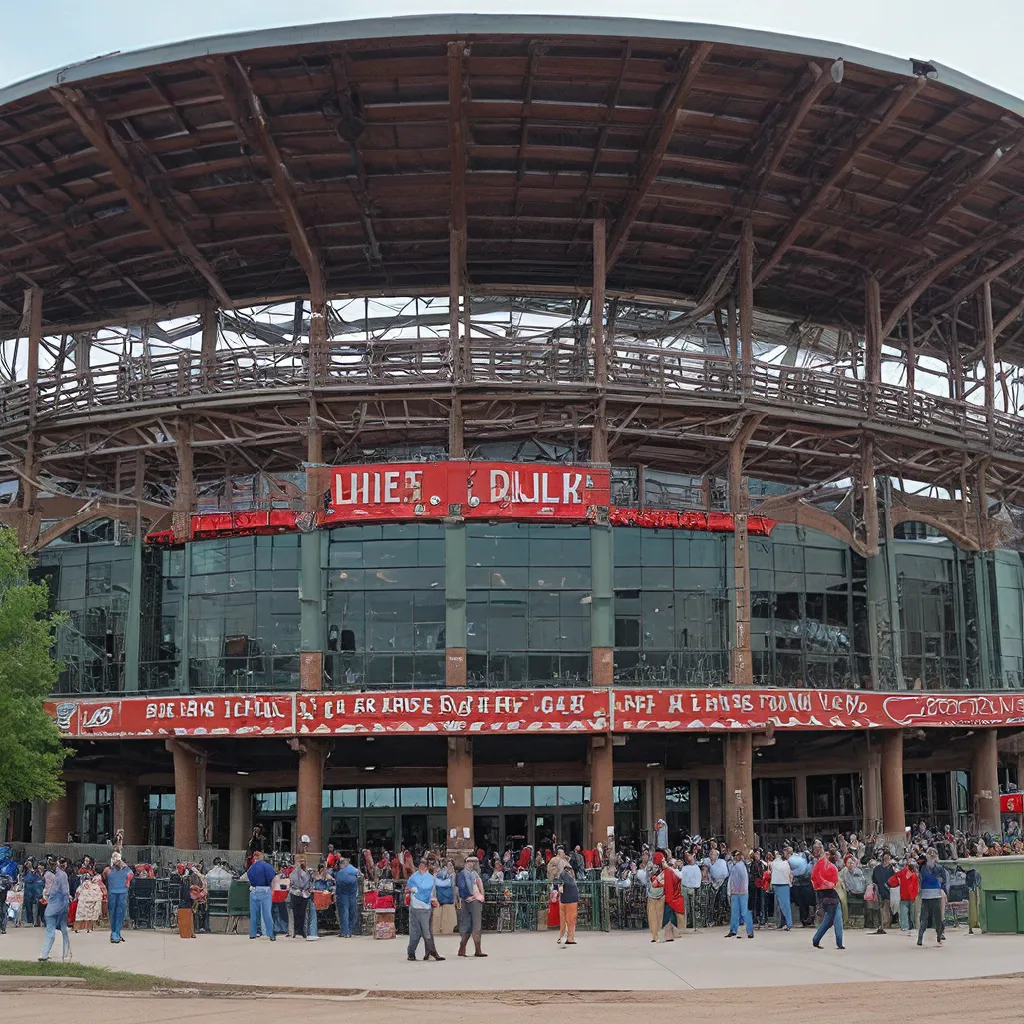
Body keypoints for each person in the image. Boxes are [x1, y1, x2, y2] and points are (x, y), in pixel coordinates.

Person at [406, 856, 444, 962]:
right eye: (420, 864)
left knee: (427, 931)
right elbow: (407, 889)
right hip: (415, 907)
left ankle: (431, 951)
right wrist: (411, 891)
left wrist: (434, 900)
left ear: (427, 867)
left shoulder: (431, 878)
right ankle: (411, 953)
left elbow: (433, 892)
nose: (422, 866)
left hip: (426, 908)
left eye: (424, 864)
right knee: (415, 933)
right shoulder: (413, 877)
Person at [38, 857, 71, 963]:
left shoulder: (49, 875)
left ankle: (44, 954)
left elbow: (47, 892)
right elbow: (64, 892)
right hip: (60, 906)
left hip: (53, 906)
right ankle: (64, 954)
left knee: (51, 931)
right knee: (62, 931)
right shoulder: (61, 875)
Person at [811, 854, 845, 950]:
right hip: (834, 898)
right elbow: (834, 884)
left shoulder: (818, 870)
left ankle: (816, 940)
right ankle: (839, 943)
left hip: (824, 898)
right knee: (837, 921)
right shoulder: (832, 870)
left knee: (828, 922)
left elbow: (815, 882)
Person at [456, 855, 487, 957]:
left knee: (476, 925)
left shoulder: (475, 874)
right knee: (468, 926)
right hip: (468, 900)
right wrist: (465, 897)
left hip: (476, 900)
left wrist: (481, 895)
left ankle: (477, 949)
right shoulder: (462, 874)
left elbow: (480, 885)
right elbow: (460, 888)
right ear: (466, 862)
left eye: (475, 861)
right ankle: (463, 947)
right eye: (471, 861)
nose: (474, 863)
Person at [917, 848, 948, 947]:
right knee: (924, 919)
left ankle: (939, 935)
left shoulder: (939, 868)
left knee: (938, 918)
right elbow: (924, 879)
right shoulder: (923, 868)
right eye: (930, 855)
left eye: (933, 855)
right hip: (926, 896)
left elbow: (944, 880)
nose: (931, 856)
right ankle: (920, 938)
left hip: (936, 895)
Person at [245, 850, 276, 941]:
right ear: (262, 856)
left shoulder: (251, 868)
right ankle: (270, 934)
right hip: (265, 889)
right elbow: (271, 876)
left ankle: (253, 933)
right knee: (267, 913)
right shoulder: (267, 866)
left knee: (254, 914)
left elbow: (249, 875)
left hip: (254, 889)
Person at [102, 852, 133, 944]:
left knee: (118, 913)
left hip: (120, 893)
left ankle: (116, 933)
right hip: (116, 893)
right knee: (115, 913)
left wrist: (127, 881)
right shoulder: (109, 870)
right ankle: (115, 933)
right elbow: (104, 876)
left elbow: (131, 875)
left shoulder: (125, 869)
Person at [725, 850, 753, 939]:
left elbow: (743, 880)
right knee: (735, 912)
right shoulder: (735, 866)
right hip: (736, 892)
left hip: (742, 892)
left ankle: (749, 931)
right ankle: (733, 930)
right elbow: (731, 880)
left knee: (744, 912)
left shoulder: (740, 866)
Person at [889, 858, 919, 932]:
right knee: (912, 914)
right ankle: (912, 927)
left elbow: (891, 881)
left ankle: (906, 927)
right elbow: (891, 881)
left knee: (905, 914)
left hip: (907, 897)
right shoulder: (913, 874)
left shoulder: (903, 873)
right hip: (910, 897)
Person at [289, 857, 316, 940]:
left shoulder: (309, 871)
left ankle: (302, 931)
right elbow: (294, 881)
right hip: (295, 893)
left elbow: (312, 879)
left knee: (303, 914)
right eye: (300, 861)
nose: (302, 863)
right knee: (296, 913)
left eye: (303, 861)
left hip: (305, 894)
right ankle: (296, 932)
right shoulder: (294, 871)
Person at [335, 856, 361, 938]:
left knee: (344, 914)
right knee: (351, 913)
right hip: (351, 894)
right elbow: (359, 874)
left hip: (343, 895)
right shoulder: (352, 870)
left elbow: (338, 883)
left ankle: (345, 932)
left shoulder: (341, 873)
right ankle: (349, 931)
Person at [869, 851, 894, 934]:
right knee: (881, 908)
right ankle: (883, 925)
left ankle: (886, 924)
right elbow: (874, 879)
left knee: (887, 908)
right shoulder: (877, 869)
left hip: (890, 892)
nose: (887, 859)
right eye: (885, 857)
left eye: (888, 857)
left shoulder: (892, 869)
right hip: (879, 891)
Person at [770, 847, 794, 930]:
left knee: (782, 906)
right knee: (784, 905)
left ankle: (786, 923)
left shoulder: (775, 863)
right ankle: (785, 923)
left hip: (779, 884)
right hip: (783, 884)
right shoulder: (785, 863)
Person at [433, 859, 457, 939]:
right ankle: (441, 930)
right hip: (443, 899)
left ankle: (444, 930)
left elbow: (453, 887)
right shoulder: (443, 874)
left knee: (444, 917)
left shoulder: (451, 875)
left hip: (446, 899)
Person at [556, 864, 579, 947]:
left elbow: (560, 888)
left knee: (563, 920)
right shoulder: (566, 875)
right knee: (570, 921)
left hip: (563, 900)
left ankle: (562, 937)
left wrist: (558, 896)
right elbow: (561, 887)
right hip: (570, 900)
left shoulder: (563, 875)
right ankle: (569, 939)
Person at [679, 852, 702, 931]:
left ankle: (695, 923)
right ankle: (687, 923)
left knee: (694, 906)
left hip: (694, 889)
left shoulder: (697, 867)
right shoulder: (684, 868)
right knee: (686, 907)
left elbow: (698, 878)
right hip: (685, 888)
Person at [662, 859, 685, 940]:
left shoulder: (671, 872)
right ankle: (673, 932)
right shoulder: (671, 871)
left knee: (669, 915)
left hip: (671, 896)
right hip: (673, 896)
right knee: (671, 915)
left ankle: (669, 934)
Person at [23, 863, 44, 928]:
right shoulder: (34, 874)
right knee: (33, 907)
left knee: (35, 907)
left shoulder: (35, 874)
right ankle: (33, 921)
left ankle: (34, 921)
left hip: (33, 894)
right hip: (32, 893)